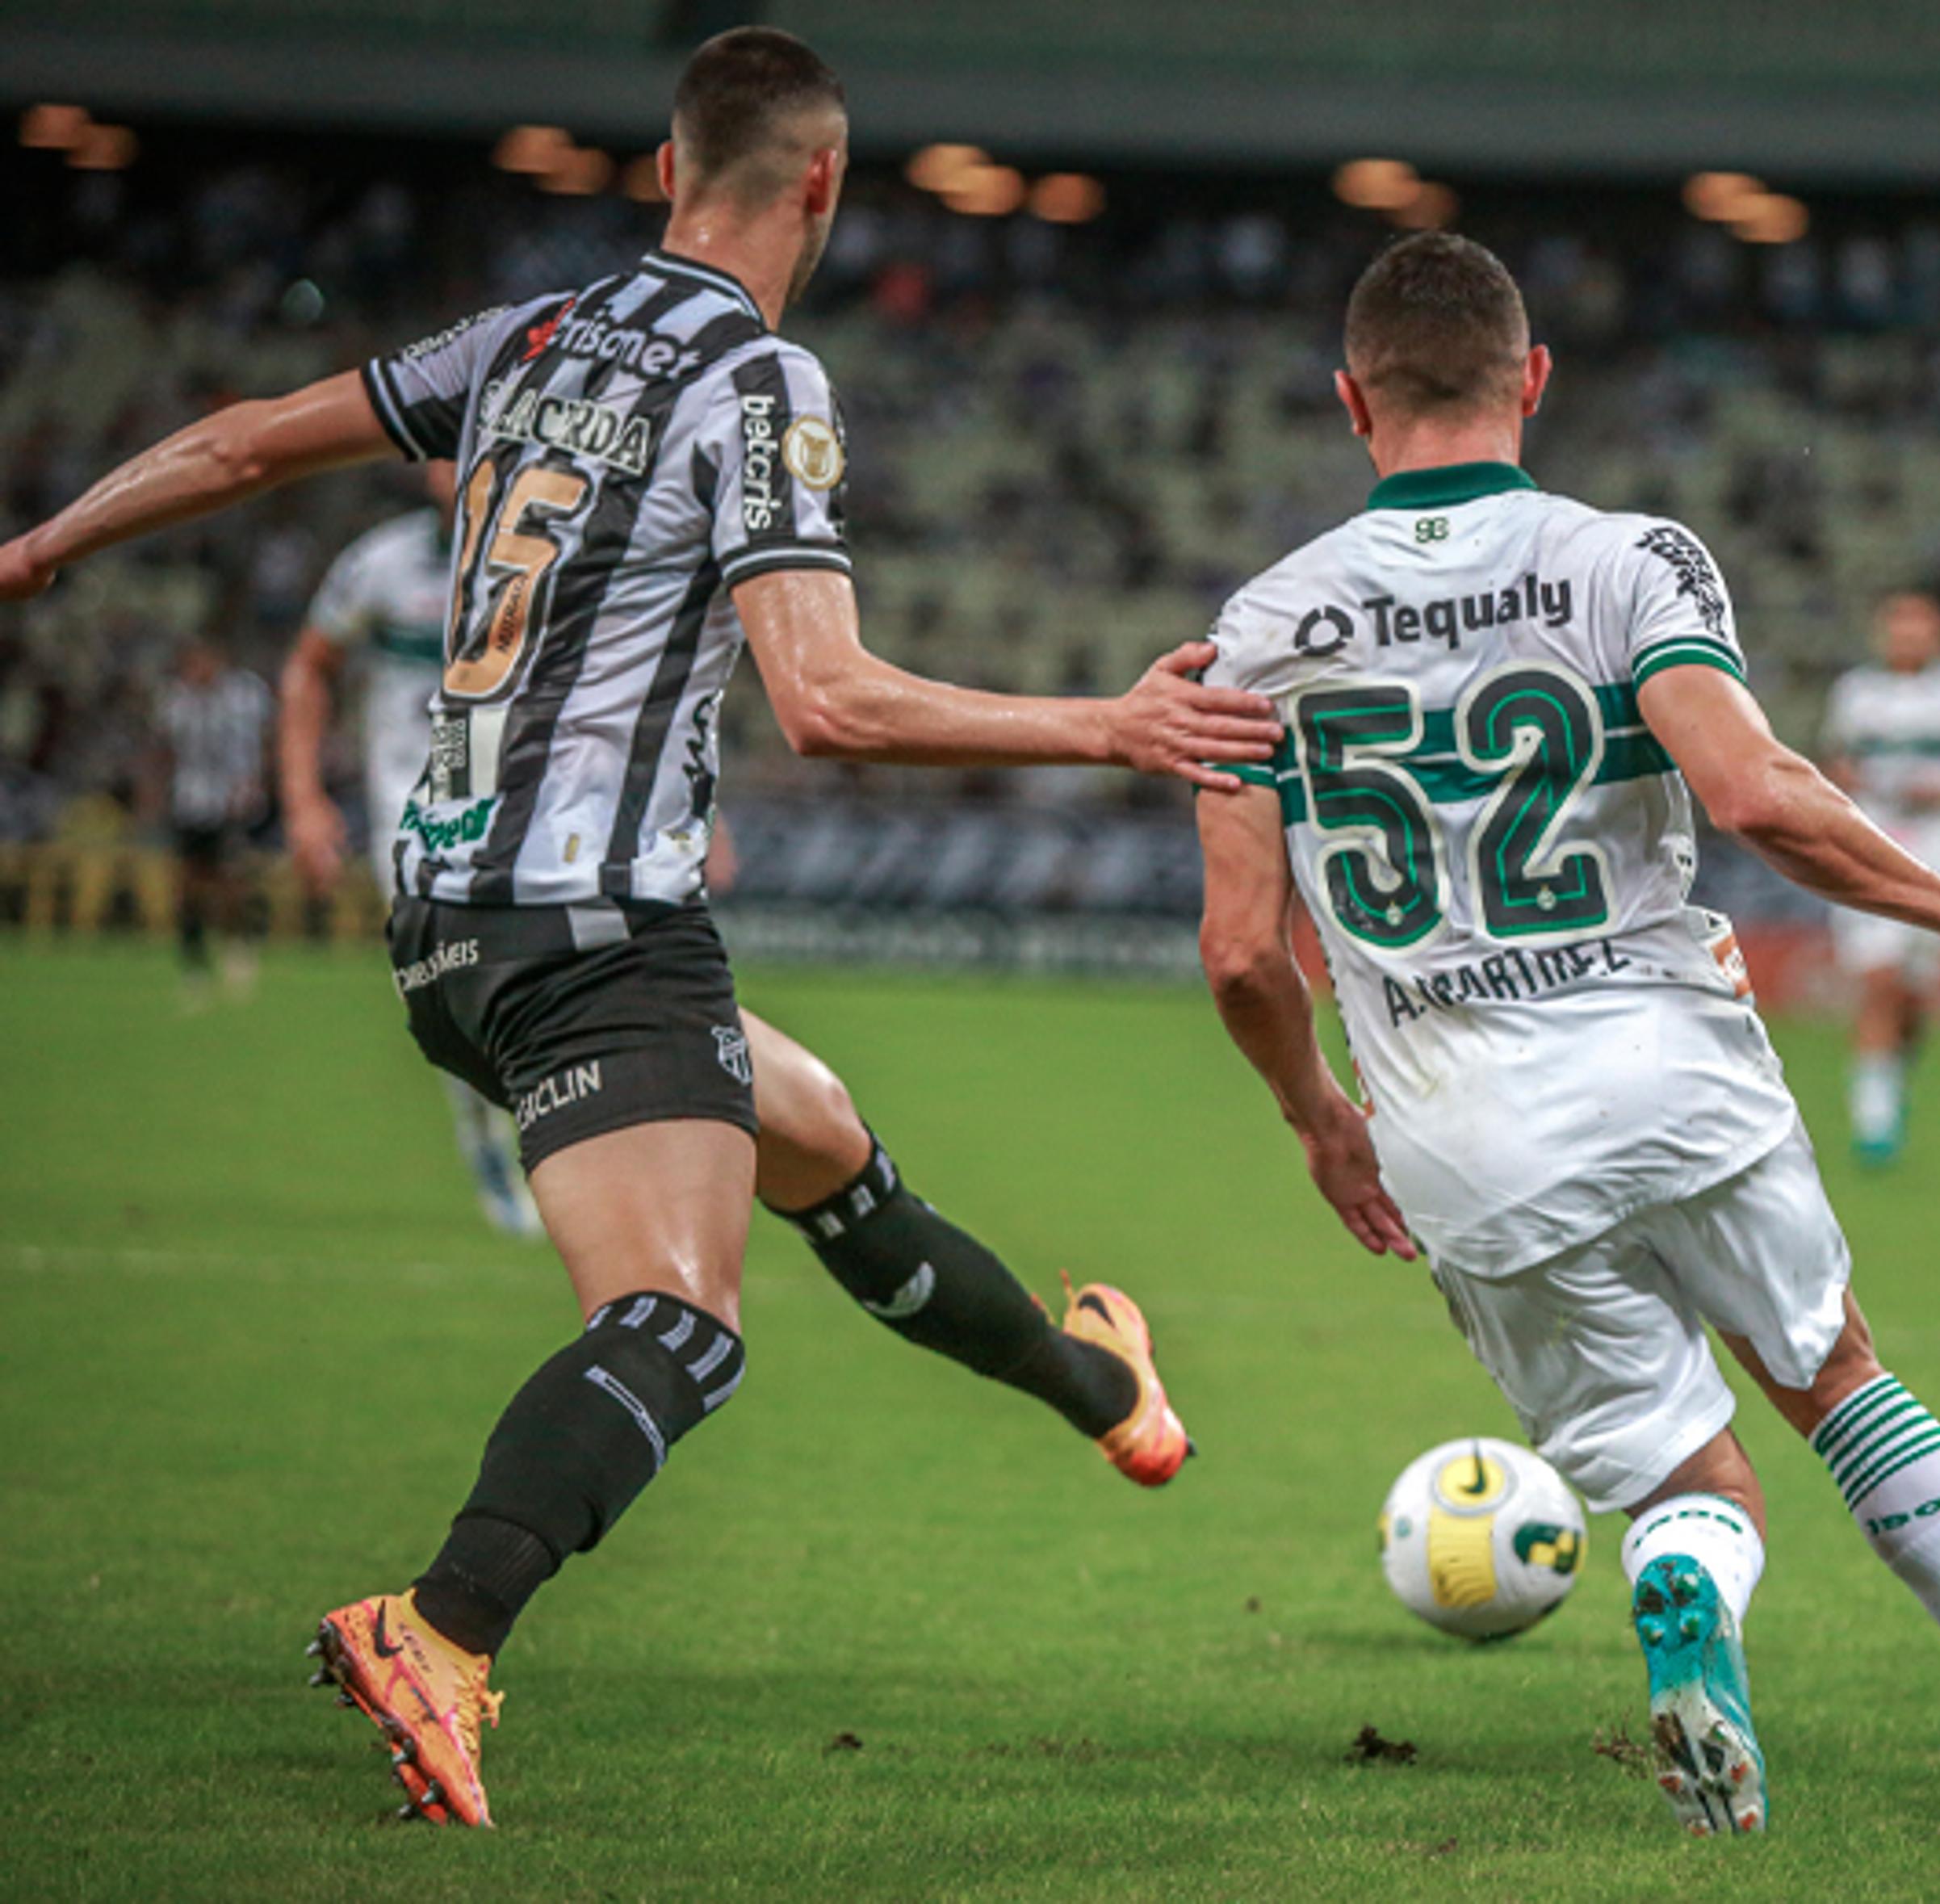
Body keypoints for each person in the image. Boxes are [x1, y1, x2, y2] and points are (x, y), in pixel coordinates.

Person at [0, 27, 1284, 1827]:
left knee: (824, 1143)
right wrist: (1112, 723)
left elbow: (233, 444)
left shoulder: (523, 338)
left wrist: (38, 552)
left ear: (668, 171)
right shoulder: (756, 378)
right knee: (681, 1325)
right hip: (594, 922)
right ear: (823, 183)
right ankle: (439, 1633)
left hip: (449, 917)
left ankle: (1104, 1391)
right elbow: (826, 699)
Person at [1194, 233, 1940, 1836]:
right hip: (1670, 1067)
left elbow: (1240, 954)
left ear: (1350, 399)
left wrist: (1319, 1119)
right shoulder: (1629, 559)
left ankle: (1691, 1592)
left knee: (1691, 1484)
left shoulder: (1260, 628)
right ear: (1537, 380)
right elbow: (1756, 793)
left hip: (1453, 1129)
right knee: (1838, 1378)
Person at [279, 464, 540, 1234]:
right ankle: (491, 1138)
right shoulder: (378, 565)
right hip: (412, 812)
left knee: (538, 977)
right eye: (443, 454)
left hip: (523, 798)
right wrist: (304, 801)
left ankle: (548, 1139)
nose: (457, 471)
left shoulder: (540, 561)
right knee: (461, 984)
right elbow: (309, 667)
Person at [1819, 592, 1940, 1165]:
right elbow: (1833, 764)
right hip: (1871, 840)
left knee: (1914, 991)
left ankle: (1892, 1074)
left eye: (1919, 629)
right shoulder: (1856, 694)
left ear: (1938, 635)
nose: (1909, 639)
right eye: (1900, 629)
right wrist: (1859, 780)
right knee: (1877, 979)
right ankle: (1874, 1120)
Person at [153, 637, 274, 1005]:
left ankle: (239, 947)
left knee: (231, 879)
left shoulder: (247, 694)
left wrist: (259, 782)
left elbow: (269, 740)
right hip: (190, 802)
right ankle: (194, 961)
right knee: (189, 883)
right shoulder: (175, 701)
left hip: (233, 802)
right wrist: (157, 797)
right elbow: (163, 752)